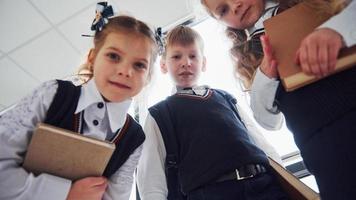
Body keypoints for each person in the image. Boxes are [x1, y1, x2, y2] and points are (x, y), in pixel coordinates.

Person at [0, 2, 159, 199]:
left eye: (139, 65)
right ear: (92, 58)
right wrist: (66, 194)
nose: (125, 71)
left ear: (148, 77)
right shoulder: (52, 95)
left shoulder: (134, 139)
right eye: (113, 56)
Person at [201, 0, 356, 199]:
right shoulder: (250, 56)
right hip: (322, 153)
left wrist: (337, 31)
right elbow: (268, 121)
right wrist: (265, 76)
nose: (235, 6)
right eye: (223, 10)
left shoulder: (310, 5)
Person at [136, 25, 287, 200]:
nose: (186, 62)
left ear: (204, 63)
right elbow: (151, 183)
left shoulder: (225, 98)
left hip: (264, 186)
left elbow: (262, 144)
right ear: (163, 65)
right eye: (177, 57)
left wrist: (287, 180)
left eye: (193, 56)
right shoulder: (159, 114)